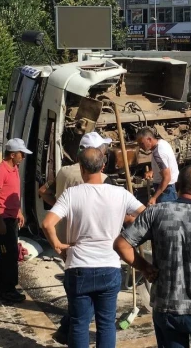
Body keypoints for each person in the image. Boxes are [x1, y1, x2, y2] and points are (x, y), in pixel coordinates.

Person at [114, 165, 191, 347]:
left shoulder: (156, 213)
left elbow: (121, 244)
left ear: (178, 185)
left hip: (166, 308)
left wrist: (145, 267)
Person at [41, 148, 146, 348]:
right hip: (109, 267)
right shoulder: (120, 193)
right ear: (103, 167)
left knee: (79, 324)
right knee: (106, 325)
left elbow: (47, 224)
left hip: (79, 267)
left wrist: (58, 247)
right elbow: (146, 215)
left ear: (81, 168)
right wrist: (129, 235)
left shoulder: (72, 194)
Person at [0, 138, 32, 303]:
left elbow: (12, 194)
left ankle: (9, 286)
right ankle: (5, 289)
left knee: (12, 254)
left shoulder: (14, 168)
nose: (23, 157)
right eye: (21, 154)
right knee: (7, 255)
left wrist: (18, 211)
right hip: (2, 219)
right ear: (12, 154)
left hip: (11, 217)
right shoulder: (0, 171)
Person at [37, 132, 113, 206]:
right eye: (103, 155)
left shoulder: (63, 171)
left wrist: (60, 209)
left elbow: (43, 191)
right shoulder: (103, 179)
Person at [136, 128, 179, 205]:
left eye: (142, 143)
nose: (140, 146)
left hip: (166, 191)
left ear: (149, 139)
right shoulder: (162, 143)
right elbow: (164, 164)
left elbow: (167, 177)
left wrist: (154, 197)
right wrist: (152, 171)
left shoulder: (158, 153)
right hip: (169, 187)